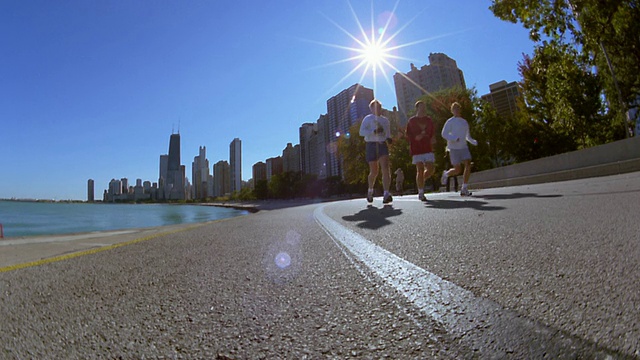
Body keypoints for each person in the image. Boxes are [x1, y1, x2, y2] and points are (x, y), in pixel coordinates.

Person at [359, 99, 393, 204]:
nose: (377, 109)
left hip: (382, 145)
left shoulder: (385, 120)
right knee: (374, 171)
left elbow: (387, 133)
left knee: (386, 168)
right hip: (371, 144)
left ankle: (386, 193)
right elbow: (361, 132)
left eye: (379, 107)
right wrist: (373, 131)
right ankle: (370, 191)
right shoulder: (368, 119)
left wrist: (388, 138)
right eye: (375, 107)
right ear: (371, 108)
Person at [440, 102, 478, 196]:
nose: (456, 110)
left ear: (460, 110)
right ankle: (446, 174)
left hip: (464, 147)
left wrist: (473, 141)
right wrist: (453, 138)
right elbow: (444, 134)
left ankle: (464, 188)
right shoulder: (450, 121)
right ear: (452, 111)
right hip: (453, 148)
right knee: (457, 170)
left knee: (468, 164)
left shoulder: (464, 122)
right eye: (454, 108)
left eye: (458, 108)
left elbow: (467, 136)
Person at [406, 100, 436, 201]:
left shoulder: (429, 120)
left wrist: (433, 139)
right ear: (417, 108)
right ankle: (421, 192)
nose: (423, 108)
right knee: (420, 169)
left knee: (431, 169)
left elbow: (432, 132)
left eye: (424, 107)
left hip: (427, 147)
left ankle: (420, 181)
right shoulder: (412, 121)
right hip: (417, 148)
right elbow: (408, 135)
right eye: (421, 107)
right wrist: (416, 137)